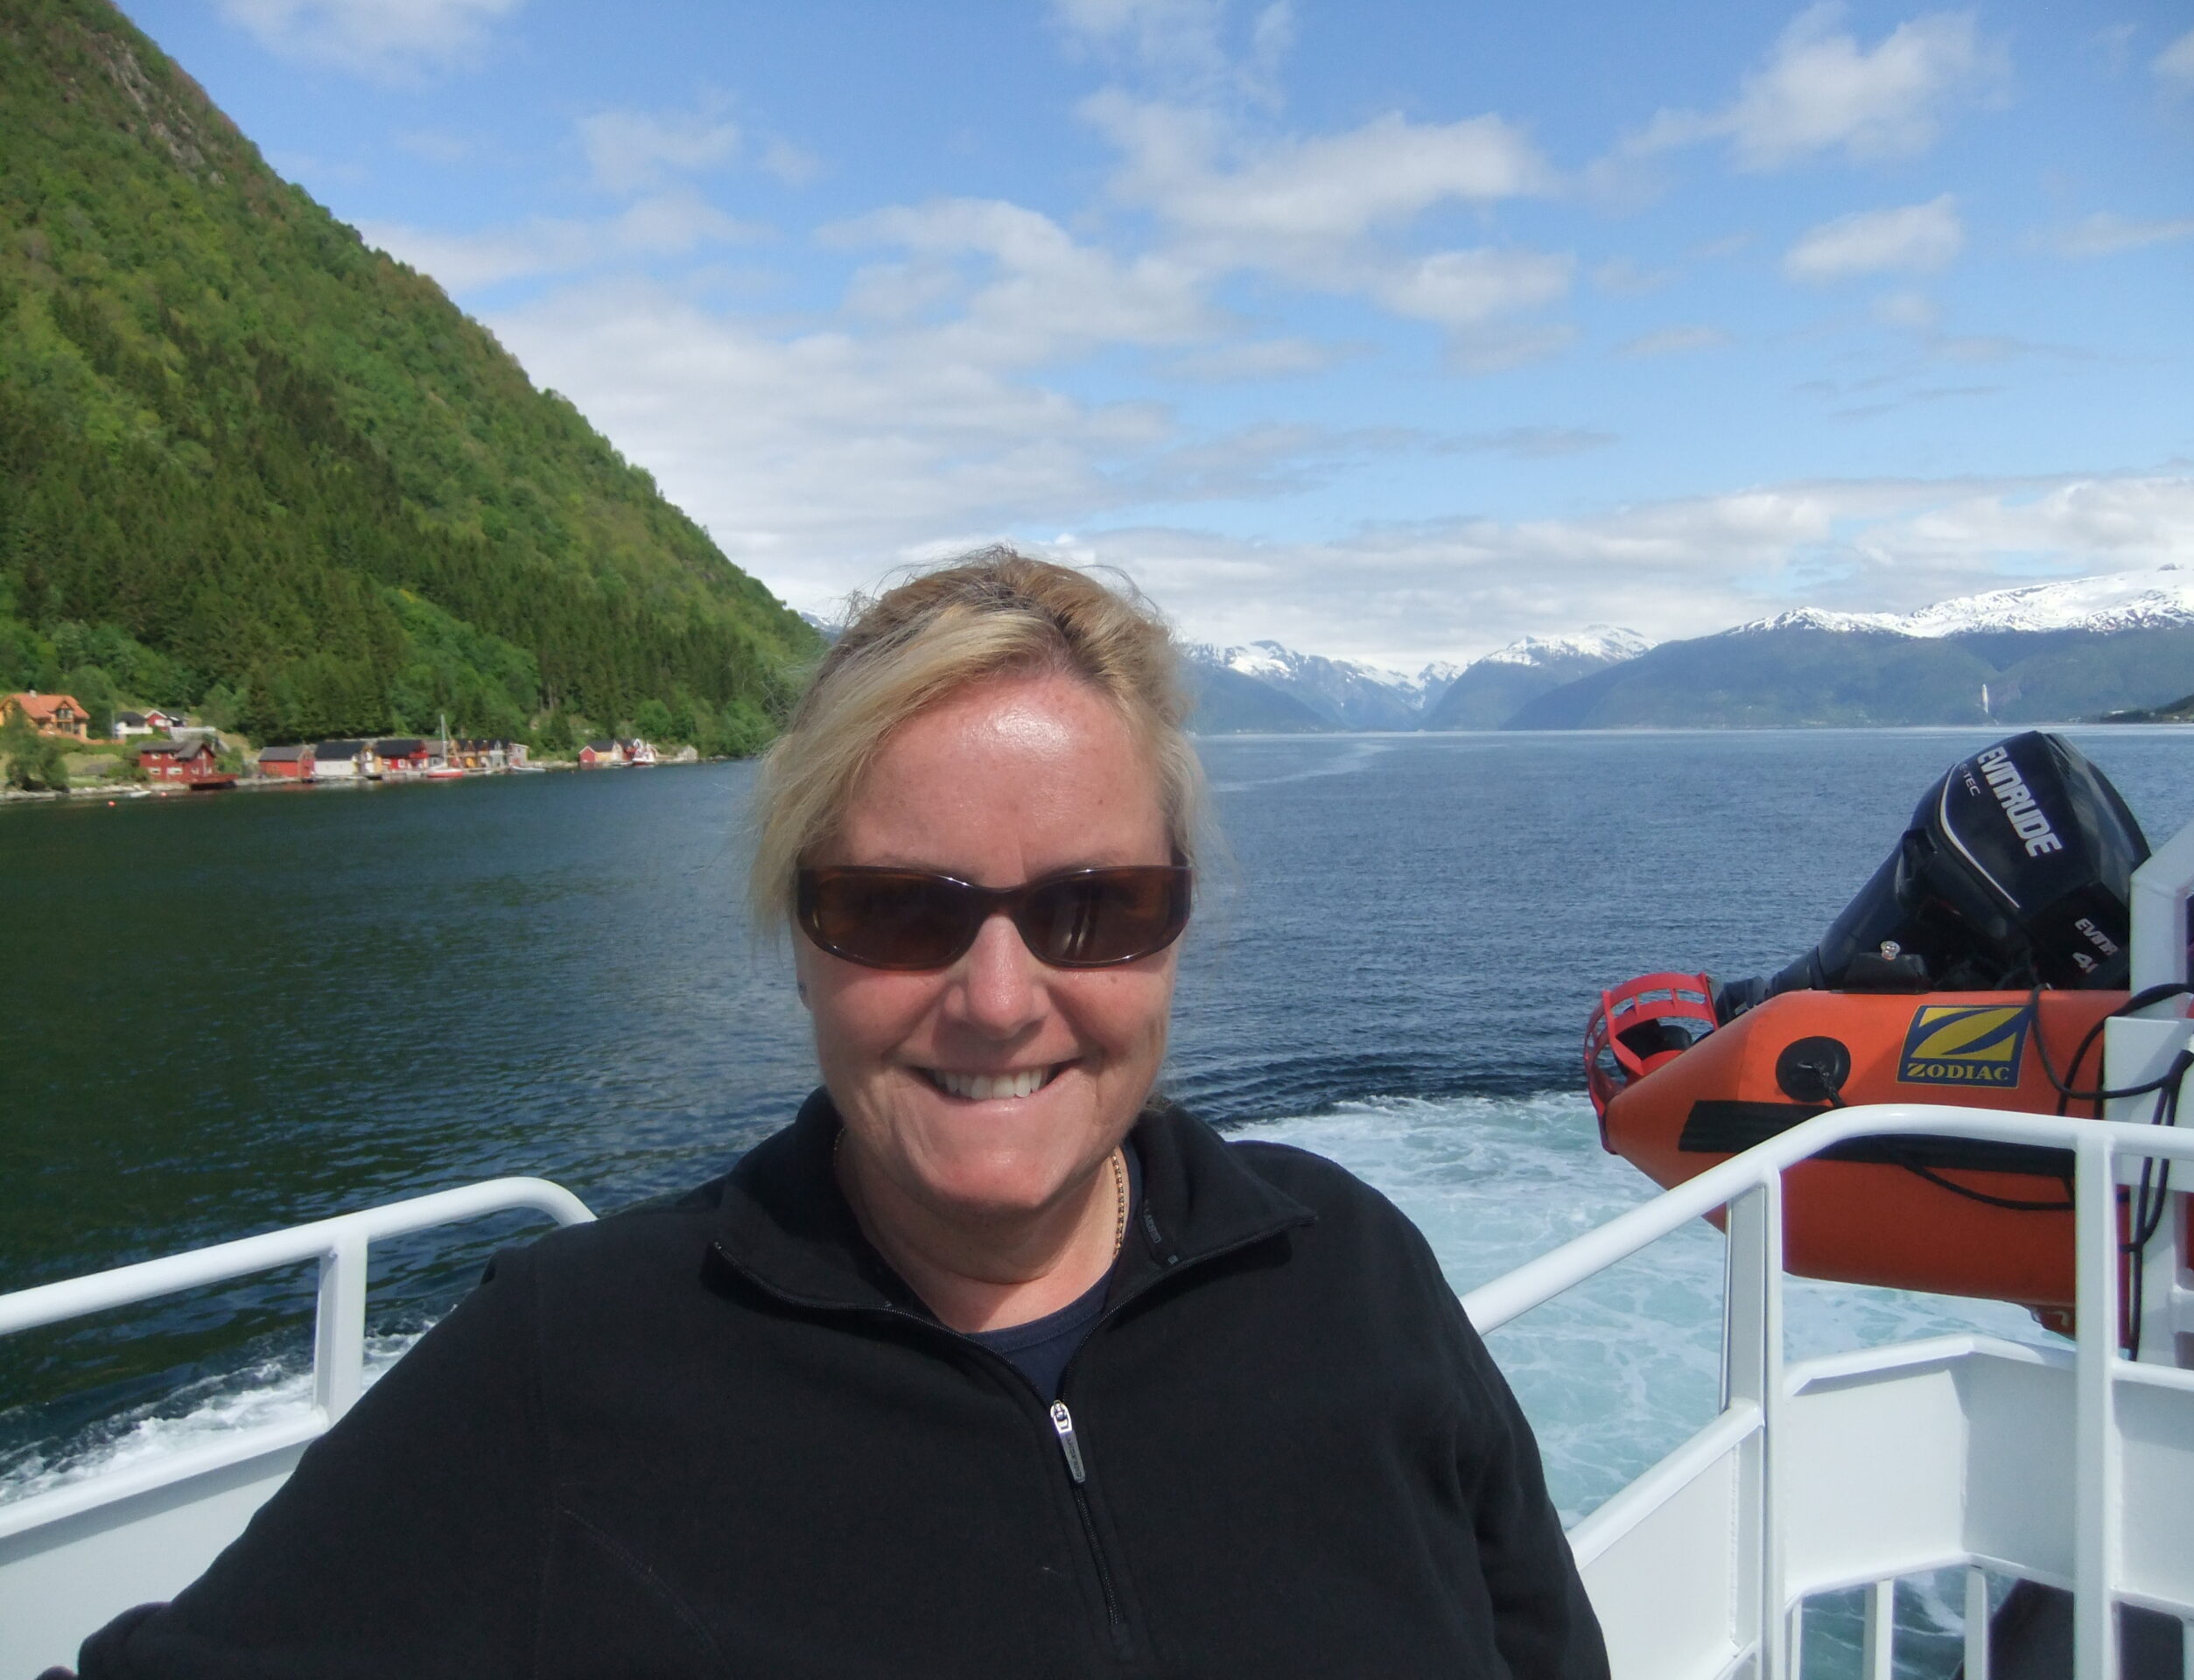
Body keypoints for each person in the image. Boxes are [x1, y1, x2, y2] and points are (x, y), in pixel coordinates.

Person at [71, 550, 1607, 1679]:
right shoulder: (575, 1362)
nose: (999, 999)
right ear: (800, 934)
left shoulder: (1350, 1272)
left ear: (1175, 927)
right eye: (899, 909)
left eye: (1094, 907)